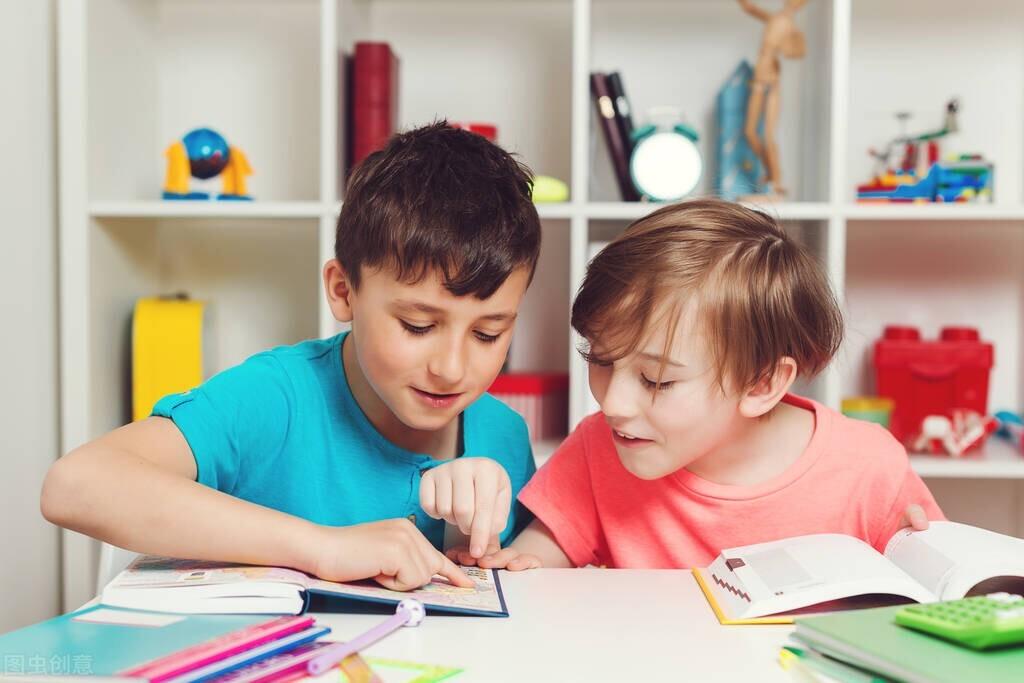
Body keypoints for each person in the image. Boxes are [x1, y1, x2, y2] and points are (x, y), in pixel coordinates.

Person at [42, 122, 541, 591]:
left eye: (488, 334)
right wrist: (321, 548)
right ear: (344, 291)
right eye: (418, 326)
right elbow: (75, 485)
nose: (451, 368)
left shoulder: (503, 435)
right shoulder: (278, 398)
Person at [452, 198, 941, 571]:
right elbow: (544, 553)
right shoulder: (600, 449)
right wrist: (513, 564)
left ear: (762, 381)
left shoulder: (867, 469)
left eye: (657, 380)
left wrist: (929, 568)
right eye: (599, 359)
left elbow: (953, 590)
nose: (614, 403)